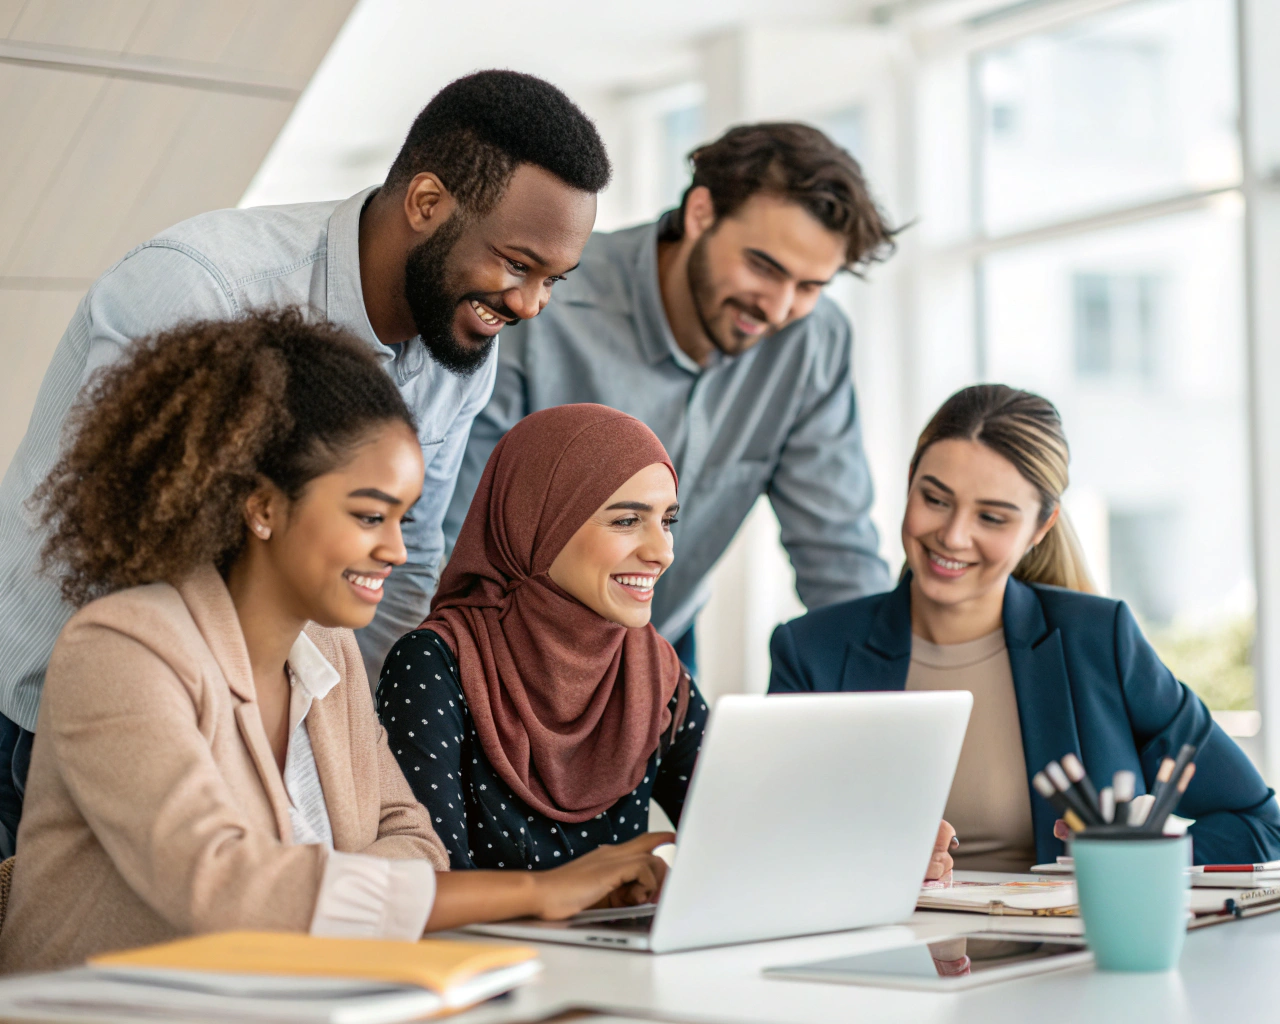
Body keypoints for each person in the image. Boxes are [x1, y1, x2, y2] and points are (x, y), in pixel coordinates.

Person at [0, 69, 611, 853]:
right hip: (50, 708)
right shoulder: (203, 286)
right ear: (428, 204)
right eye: (516, 265)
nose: (529, 305)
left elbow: (408, 558)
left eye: (553, 281)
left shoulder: (462, 345)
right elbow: (133, 549)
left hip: (256, 721)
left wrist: (351, 745)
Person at [0, 313, 672, 973]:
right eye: (369, 516)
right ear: (262, 506)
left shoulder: (327, 653)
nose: (398, 548)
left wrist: (305, 893)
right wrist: (537, 892)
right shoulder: (122, 651)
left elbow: (417, 846)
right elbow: (225, 888)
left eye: (402, 517)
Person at [384, 403, 957, 880]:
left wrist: (880, 850)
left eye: (668, 521)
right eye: (627, 521)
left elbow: (745, 833)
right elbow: (427, 889)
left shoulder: (652, 669)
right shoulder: (435, 664)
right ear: (540, 521)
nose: (662, 552)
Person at [444, 122, 896, 676]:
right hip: (509, 651)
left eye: (809, 287)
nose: (779, 310)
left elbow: (838, 552)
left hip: (660, 647)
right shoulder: (548, 307)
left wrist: (887, 696)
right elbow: (456, 525)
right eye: (763, 267)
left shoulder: (813, 342)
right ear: (701, 212)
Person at [769, 384, 1280, 869]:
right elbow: (767, 844)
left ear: (1041, 528)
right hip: (870, 959)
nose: (953, 535)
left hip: (1063, 960)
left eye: (992, 518)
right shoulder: (811, 650)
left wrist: (1135, 860)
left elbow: (1261, 825)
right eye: (936, 499)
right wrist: (866, 863)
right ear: (909, 483)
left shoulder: (1100, 642)